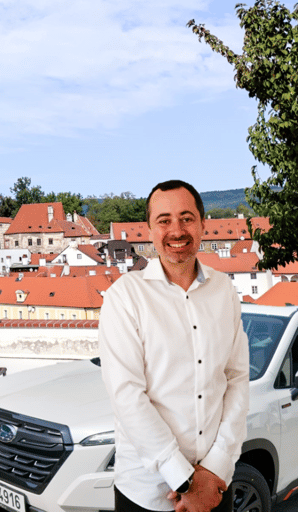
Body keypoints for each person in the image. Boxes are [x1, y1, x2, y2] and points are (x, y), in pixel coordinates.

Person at [99, 180, 249, 512]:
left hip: (215, 487)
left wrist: (215, 469)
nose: (176, 230)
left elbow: (236, 378)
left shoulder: (224, 289)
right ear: (149, 229)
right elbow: (127, 395)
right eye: (164, 220)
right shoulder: (125, 297)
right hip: (147, 493)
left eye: (187, 218)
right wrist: (186, 481)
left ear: (202, 224)